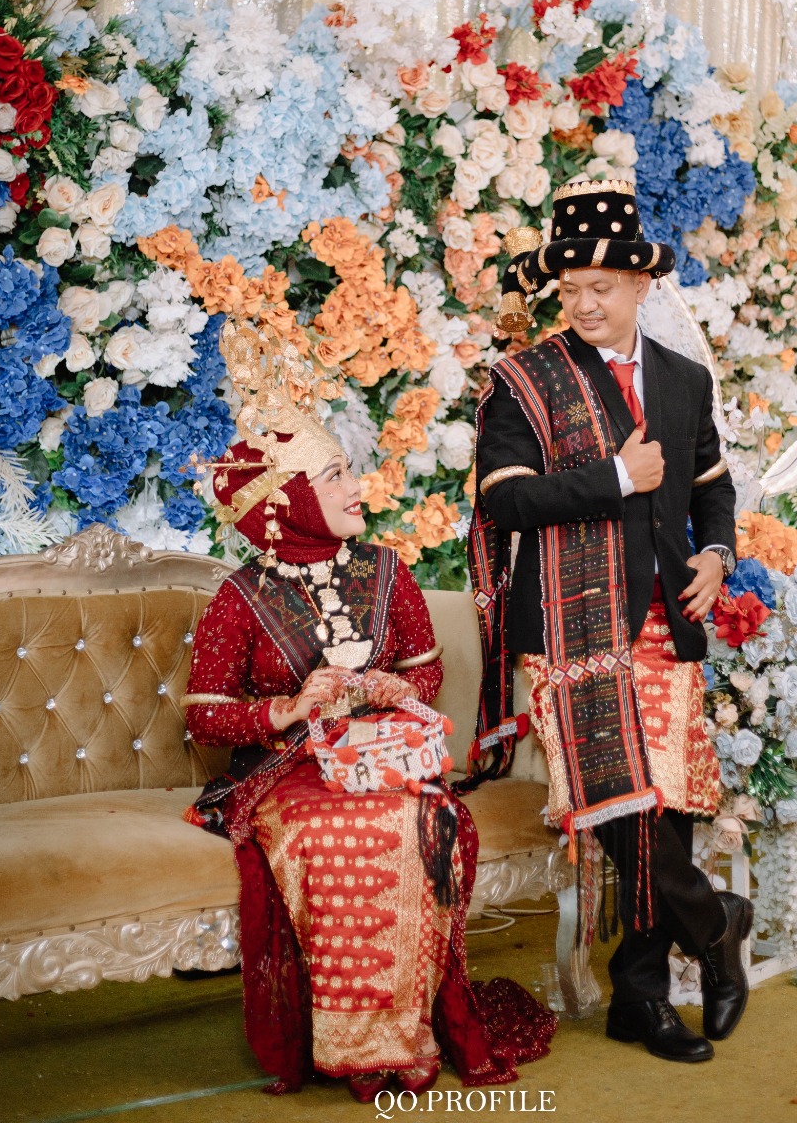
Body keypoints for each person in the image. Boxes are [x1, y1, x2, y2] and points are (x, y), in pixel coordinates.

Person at [184, 322, 555, 1102]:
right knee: (334, 836)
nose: (357, 486)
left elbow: (425, 672)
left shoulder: (387, 571)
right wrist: (290, 708)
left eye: (348, 468)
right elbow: (207, 719)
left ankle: (406, 1035)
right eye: (334, 476)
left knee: (424, 822)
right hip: (287, 773)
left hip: (385, 759)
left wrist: (393, 689)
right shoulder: (240, 598)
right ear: (287, 503)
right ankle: (350, 1045)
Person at [468, 174, 750, 1065]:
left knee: (664, 808)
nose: (585, 304)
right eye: (571, 289)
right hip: (569, 623)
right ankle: (715, 924)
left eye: (602, 287)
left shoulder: (684, 378)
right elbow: (505, 501)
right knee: (617, 803)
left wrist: (716, 556)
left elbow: (712, 488)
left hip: (667, 617)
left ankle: (640, 1000)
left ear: (639, 285)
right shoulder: (524, 380)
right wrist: (618, 478)